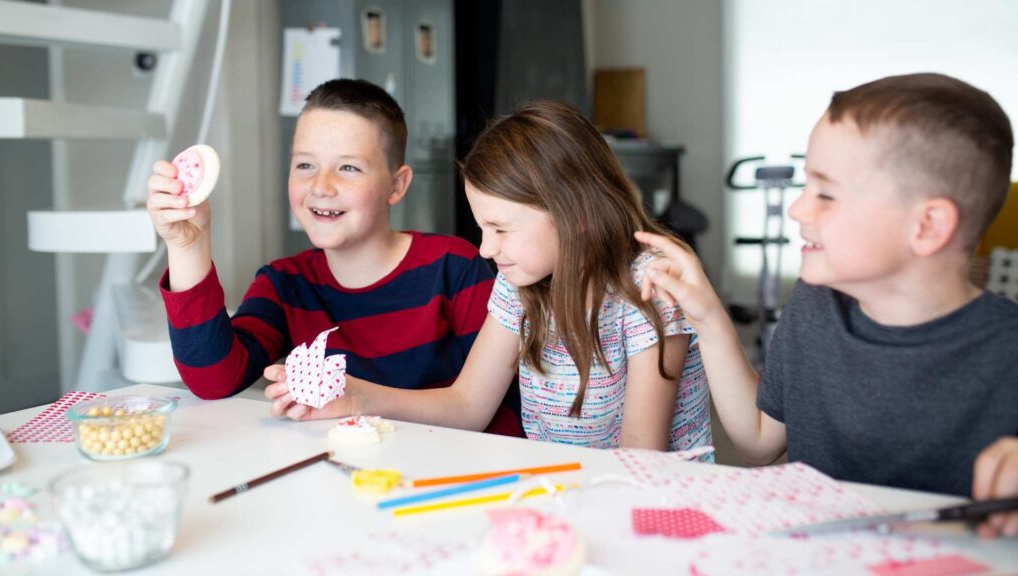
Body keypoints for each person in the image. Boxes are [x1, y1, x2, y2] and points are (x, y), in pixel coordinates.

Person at [636, 72, 1018, 536]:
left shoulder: (1007, 353)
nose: (798, 210)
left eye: (826, 193)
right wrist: (709, 316)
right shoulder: (815, 306)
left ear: (927, 226)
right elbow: (758, 440)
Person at [267, 100, 712, 453]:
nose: (484, 249)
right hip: (564, 494)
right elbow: (467, 406)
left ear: (575, 215)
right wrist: (357, 396)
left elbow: (640, 456)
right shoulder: (519, 285)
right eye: (482, 228)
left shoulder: (649, 291)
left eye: (500, 228)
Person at [146, 78, 522, 436]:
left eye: (348, 167)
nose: (321, 186)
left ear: (397, 184)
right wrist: (187, 247)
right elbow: (213, 379)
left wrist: (361, 400)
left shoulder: (454, 267)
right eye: (305, 165)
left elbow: (494, 411)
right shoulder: (284, 284)